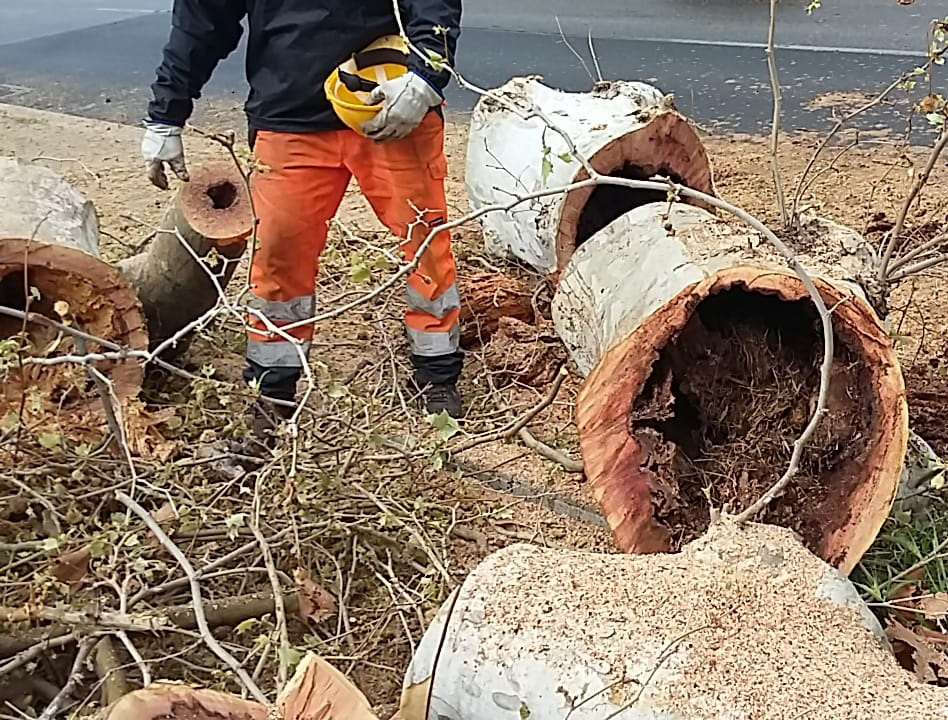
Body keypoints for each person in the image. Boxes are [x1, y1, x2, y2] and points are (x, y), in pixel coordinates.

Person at [141, 0, 465, 439]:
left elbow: (434, 4)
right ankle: (273, 392)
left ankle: (437, 375)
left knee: (424, 246)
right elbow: (203, 18)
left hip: (390, 106)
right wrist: (166, 113)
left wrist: (426, 76)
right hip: (288, 119)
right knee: (278, 261)